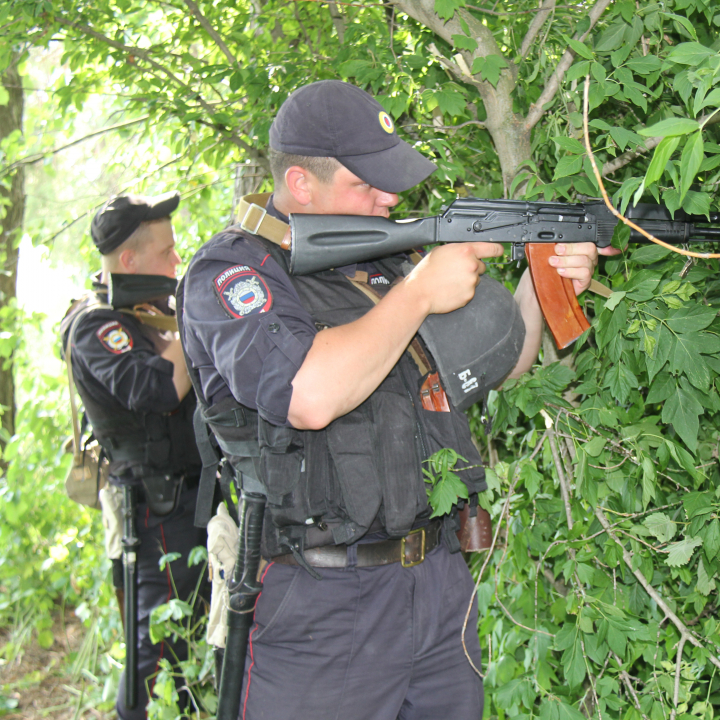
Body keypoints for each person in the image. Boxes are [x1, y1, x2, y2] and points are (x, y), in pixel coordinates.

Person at [179, 79, 606, 720]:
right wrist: (418, 294)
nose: (391, 197)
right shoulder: (235, 275)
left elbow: (493, 369)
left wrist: (543, 281)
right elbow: (308, 395)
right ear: (300, 183)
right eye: (366, 183)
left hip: (434, 582)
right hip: (320, 597)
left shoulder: (386, 263)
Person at [60, 193, 209, 720]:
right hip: (155, 512)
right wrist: (195, 318)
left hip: (193, 503)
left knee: (193, 646)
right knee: (155, 654)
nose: (176, 261)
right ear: (129, 260)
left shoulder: (150, 314)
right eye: (167, 252)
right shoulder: (98, 327)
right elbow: (161, 389)